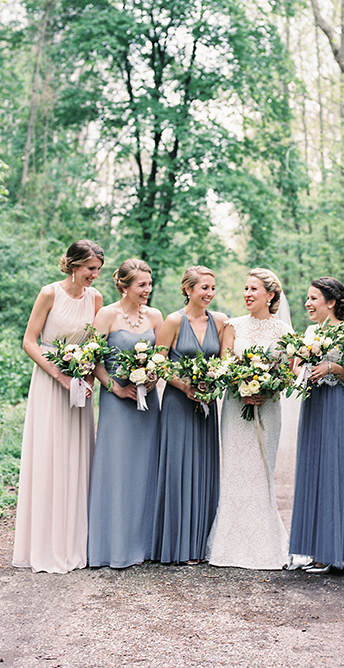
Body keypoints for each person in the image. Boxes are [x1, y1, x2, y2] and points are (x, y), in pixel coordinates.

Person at [13, 239, 105, 573]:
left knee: (76, 457)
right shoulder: (49, 292)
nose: (94, 275)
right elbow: (29, 341)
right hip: (51, 385)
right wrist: (58, 374)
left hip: (80, 386)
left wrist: (89, 379)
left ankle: (75, 541)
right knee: (50, 454)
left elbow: (95, 346)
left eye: (98, 269)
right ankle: (45, 544)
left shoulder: (95, 298)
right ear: (74, 265)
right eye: (90, 269)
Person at [207, 268, 291, 569]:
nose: (247, 294)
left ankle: (265, 544)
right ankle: (229, 545)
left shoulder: (282, 331)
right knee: (235, 468)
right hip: (234, 406)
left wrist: (266, 391)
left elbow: (288, 372)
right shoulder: (233, 326)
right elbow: (225, 364)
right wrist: (240, 387)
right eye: (245, 288)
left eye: (254, 289)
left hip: (267, 407)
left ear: (270, 295)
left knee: (260, 469)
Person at [88, 259, 164, 568]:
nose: (147, 290)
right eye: (141, 285)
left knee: (146, 468)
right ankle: (113, 547)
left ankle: (146, 544)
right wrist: (115, 388)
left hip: (147, 405)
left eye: (149, 284)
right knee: (117, 469)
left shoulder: (155, 316)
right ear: (124, 286)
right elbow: (91, 360)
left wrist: (153, 376)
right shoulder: (106, 315)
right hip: (117, 403)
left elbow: (162, 355)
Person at [152, 266, 227, 564]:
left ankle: (200, 545)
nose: (209, 293)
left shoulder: (219, 321)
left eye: (212, 288)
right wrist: (184, 385)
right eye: (203, 288)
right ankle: (177, 546)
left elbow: (225, 361)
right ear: (187, 289)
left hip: (206, 405)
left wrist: (212, 381)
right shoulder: (173, 320)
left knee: (204, 467)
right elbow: (158, 362)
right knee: (178, 467)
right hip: (177, 403)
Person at [289, 277, 344, 573]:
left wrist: (332, 367)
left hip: (336, 405)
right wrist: (301, 365)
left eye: (313, 299)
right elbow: (296, 364)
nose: (307, 303)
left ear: (330, 303)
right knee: (313, 470)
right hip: (314, 405)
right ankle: (311, 549)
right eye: (307, 298)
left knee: (333, 471)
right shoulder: (309, 331)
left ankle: (332, 553)